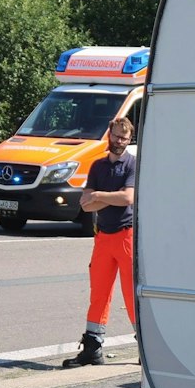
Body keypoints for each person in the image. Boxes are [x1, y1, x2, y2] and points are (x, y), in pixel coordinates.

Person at [64, 116, 136, 367]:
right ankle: (92, 348)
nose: (119, 141)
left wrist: (98, 196)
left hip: (127, 236)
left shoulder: (132, 165)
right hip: (103, 236)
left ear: (129, 140)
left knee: (131, 295)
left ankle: (146, 350)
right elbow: (85, 205)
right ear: (109, 134)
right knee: (99, 294)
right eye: (116, 135)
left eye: (124, 138)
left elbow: (128, 198)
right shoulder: (97, 166)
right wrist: (106, 197)